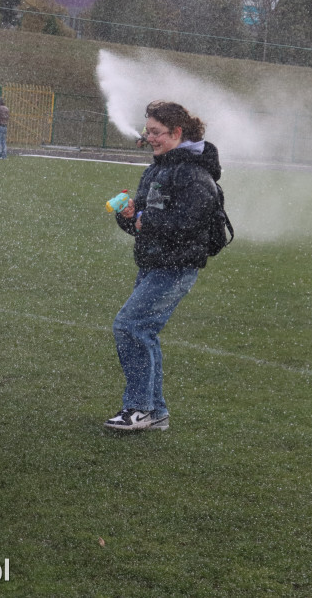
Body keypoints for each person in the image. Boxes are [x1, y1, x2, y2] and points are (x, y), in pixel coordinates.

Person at [105, 100, 222, 431]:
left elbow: (191, 225)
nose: (149, 138)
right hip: (152, 264)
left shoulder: (195, 175)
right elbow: (142, 222)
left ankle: (139, 409)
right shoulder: (157, 169)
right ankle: (155, 412)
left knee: (129, 326)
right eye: (148, 131)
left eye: (156, 132)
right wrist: (128, 215)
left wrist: (145, 222)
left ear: (177, 132)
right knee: (143, 330)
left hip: (176, 267)